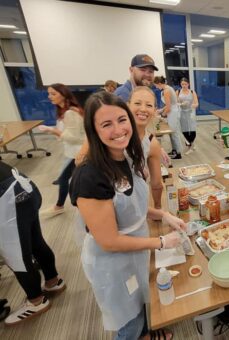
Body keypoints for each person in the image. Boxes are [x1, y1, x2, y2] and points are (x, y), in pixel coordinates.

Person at [69, 91, 185, 340]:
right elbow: (109, 240)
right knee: (128, 321)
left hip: (134, 250)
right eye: (106, 124)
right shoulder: (90, 176)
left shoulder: (126, 156)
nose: (119, 129)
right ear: (94, 131)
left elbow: (129, 205)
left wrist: (162, 214)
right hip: (111, 262)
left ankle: (145, 334)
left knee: (140, 303)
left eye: (122, 120)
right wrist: (161, 242)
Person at [0, 161, 65, 325]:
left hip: (7, 197)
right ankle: (53, 281)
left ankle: (36, 302)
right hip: (22, 184)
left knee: (17, 257)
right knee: (36, 241)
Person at [39, 83, 85, 218]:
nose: (49, 97)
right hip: (73, 152)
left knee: (67, 180)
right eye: (49, 93)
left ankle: (63, 207)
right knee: (67, 180)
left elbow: (74, 137)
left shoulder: (71, 112)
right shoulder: (65, 111)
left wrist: (52, 130)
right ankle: (62, 206)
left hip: (78, 152)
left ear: (63, 94)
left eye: (53, 94)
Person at [154, 76, 183, 159]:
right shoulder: (168, 88)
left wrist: (161, 115)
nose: (156, 87)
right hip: (173, 111)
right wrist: (160, 110)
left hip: (173, 112)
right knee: (172, 133)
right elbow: (168, 104)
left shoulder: (166, 91)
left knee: (174, 133)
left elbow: (169, 107)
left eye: (156, 85)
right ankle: (175, 150)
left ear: (159, 83)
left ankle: (178, 153)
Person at [176, 77, 199, 155]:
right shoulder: (178, 92)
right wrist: (181, 104)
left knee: (192, 130)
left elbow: (196, 103)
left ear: (188, 84)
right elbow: (175, 103)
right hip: (182, 113)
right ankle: (190, 145)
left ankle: (191, 145)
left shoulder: (192, 92)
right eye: (182, 84)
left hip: (191, 113)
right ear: (180, 84)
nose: (184, 85)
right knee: (184, 130)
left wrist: (192, 105)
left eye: (185, 84)